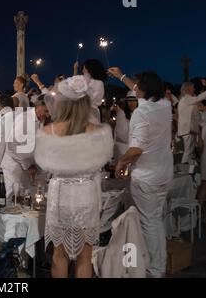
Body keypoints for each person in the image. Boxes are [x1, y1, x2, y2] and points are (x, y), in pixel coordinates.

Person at [34, 75, 113, 278]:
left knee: (59, 256)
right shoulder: (101, 133)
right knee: (85, 257)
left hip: (60, 195)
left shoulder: (48, 131)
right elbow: (102, 162)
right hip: (87, 195)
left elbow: (43, 163)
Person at [110, 68, 173, 278]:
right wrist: (120, 76)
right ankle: (157, 263)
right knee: (155, 219)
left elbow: (136, 149)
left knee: (150, 222)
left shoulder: (141, 112)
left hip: (147, 177)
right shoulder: (165, 105)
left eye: (138, 85)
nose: (135, 88)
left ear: (144, 89)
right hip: (164, 173)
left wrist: (120, 162)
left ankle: (155, 270)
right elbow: (139, 89)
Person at [177, 81, 206, 164]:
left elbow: (196, 116)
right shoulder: (186, 98)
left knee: (190, 152)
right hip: (187, 129)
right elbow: (199, 98)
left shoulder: (189, 100)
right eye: (193, 87)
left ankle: (188, 172)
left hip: (190, 129)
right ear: (188, 88)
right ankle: (184, 170)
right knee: (188, 151)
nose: (194, 89)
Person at [112, 91, 138, 160]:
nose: (131, 103)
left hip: (134, 153)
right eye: (129, 101)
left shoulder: (140, 115)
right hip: (122, 152)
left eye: (134, 101)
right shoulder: (122, 114)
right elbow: (122, 136)